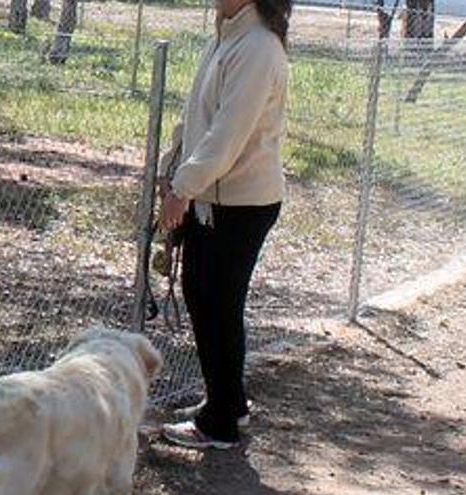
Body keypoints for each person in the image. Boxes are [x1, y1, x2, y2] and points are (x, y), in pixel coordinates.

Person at [158, 0, 292, 449]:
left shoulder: (256, 47)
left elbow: (227, 136)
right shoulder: (227, 36)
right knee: (207, 298)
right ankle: (227, 404)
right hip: (216, 198)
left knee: (216, 304)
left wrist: (182, 188)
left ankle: (219, 423)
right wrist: (172, 168)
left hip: (241, 202)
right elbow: (197, 117)